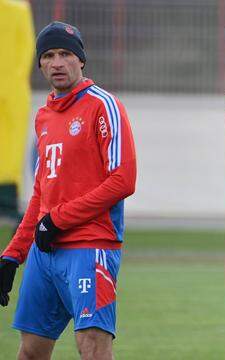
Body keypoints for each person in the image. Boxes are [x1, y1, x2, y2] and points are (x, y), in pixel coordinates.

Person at [0, 21, 136, 360]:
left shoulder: (103, 106)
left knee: (91, 346)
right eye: (48, 55)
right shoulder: (44, 117)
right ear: (40, 64)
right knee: (30, 352)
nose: (57, 62)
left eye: (65, 54)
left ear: (81, 60)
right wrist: (12, 254)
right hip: (44, 255)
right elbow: (40, 194)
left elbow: (123, 179)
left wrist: (58, 219)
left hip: (90, 248)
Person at [0, 0, 34, 226]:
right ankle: (8, 202)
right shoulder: (18, 8)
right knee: (11, 147)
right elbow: (27, 49)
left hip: (13, 90)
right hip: (14, 90)